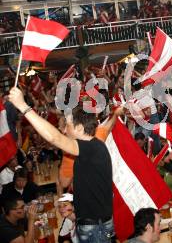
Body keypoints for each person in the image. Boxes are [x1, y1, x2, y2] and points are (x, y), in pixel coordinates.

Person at [8, 87, 114, 243]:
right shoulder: (91, 149)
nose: (64, 129)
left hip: (95, 229)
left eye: (68, 124)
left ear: (79, 128)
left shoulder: (92, 147)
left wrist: (23, 106)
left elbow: (54, 138)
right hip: (92, 224)